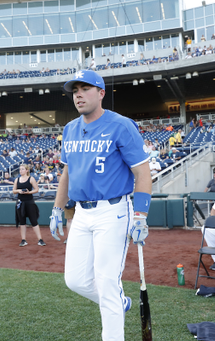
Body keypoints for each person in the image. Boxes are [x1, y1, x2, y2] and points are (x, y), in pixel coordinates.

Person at [49, 69, 151, 340]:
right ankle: (119, 302)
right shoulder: (70, 129)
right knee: (75, 280)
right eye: (75, 91)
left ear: (101, 93)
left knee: (107, 283)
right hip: (81, 212)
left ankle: (113, 310)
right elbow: (66, 174)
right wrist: (57, 209)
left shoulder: (121, 125)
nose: (78, 95)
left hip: (114, 211)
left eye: (85, 89)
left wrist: (140, 215)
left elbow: (142, 172)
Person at [13, 164, 45, 247]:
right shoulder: (17, 179)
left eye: (22, 169)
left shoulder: (31, 179)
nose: (20, 171)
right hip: (20, 202)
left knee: (34, 221)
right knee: (22, 222)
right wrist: (19, 191)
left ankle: (40, 239)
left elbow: (36, 189)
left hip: (29, 202)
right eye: (20, 169)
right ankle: (23, 240)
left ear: (27, 170)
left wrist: (28, 192)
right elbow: (14, 191)